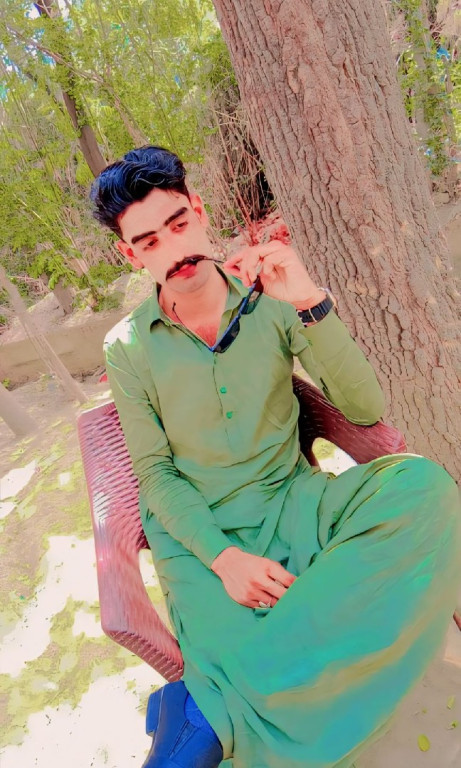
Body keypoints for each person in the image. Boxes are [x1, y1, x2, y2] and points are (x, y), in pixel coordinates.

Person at [91, 146, 460, 768]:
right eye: (150, 242)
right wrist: (224, 558)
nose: (174, 249)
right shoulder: (126, 346)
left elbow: (364, 408)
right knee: (258, 671)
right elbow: (155, 473)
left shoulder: (270, 301)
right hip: (200, 536)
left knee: (424, 486)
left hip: (294, 500)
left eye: (179, 224)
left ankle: (206, 708)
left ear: (199, 211)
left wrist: (308, 299)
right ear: (132, 255)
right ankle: (253, 689)